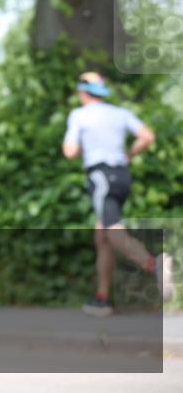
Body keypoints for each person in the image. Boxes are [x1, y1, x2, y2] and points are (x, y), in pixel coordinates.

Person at [63, 71, 174, 316]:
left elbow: (69, 151)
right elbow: (147, 136)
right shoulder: (119, 113)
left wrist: (86, 147)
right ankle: (102, 299)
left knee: (112, 231)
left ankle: (154, 265)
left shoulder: (79, 115)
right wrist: (129, 155)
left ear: (83, 92)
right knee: (102, 235)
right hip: (122, 176)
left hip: (101, 177)